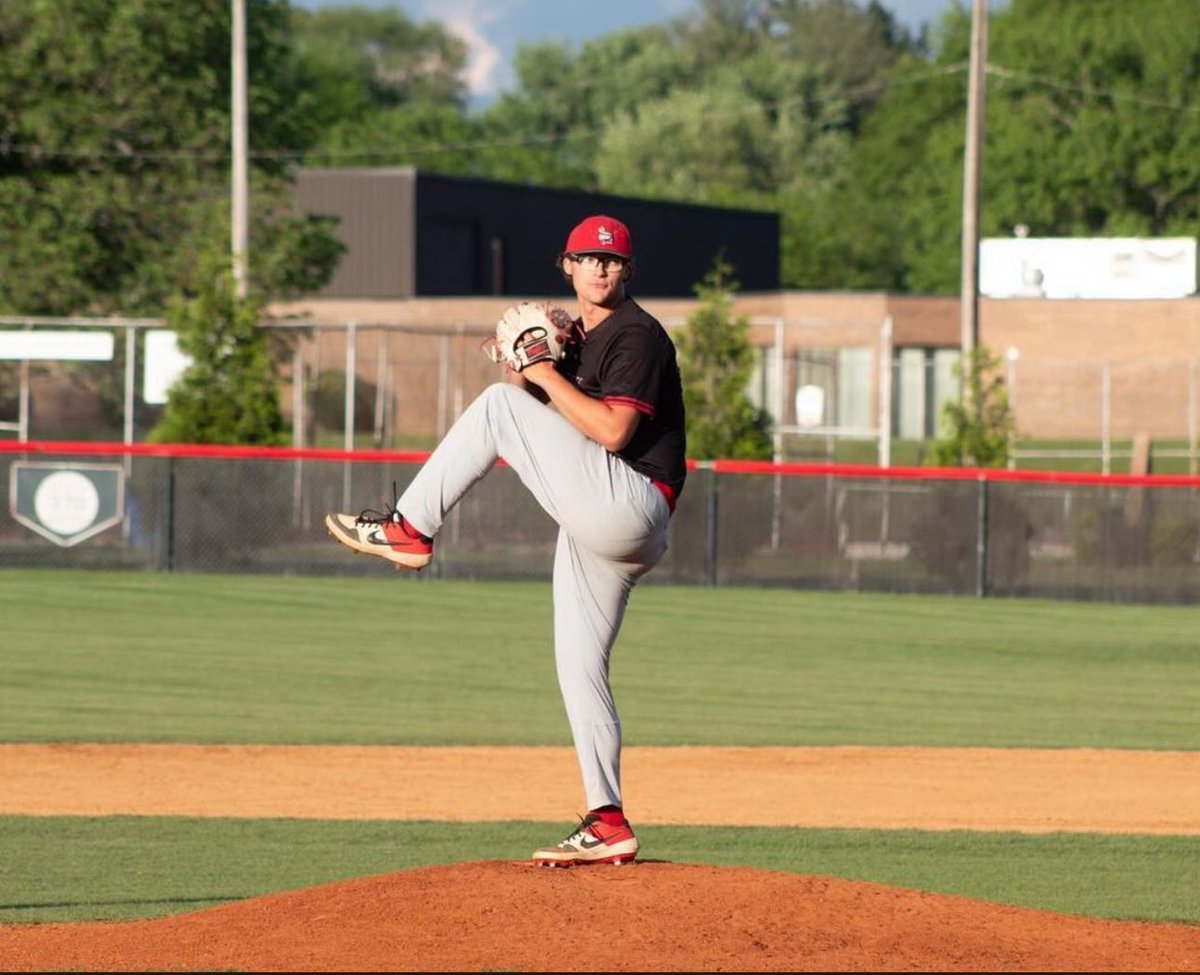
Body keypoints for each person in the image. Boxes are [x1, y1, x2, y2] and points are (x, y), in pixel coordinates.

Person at [325, 214, 687, 868]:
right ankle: (607, 819)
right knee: (579, 665)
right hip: (603, 522)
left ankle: (409, 527)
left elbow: (611, 433)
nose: (600, 269)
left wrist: (540, 373)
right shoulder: (578, 339)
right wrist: (534, 360)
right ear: (567, 266)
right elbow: (534, 423)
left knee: (495, 407)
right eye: (587, 258)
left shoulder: (638, 335)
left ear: (627, 271)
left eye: (611, 261)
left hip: (631, 501)